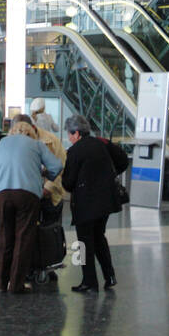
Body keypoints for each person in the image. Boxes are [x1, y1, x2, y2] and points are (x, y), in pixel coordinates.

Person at [0, 117, 63, 293]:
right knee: (23, 239)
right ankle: (16, 285)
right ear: (31, 132)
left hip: (2, 195)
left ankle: (0, 284)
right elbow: (57, 166)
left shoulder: (0, 143)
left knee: (5, 238)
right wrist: (44, 174)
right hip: (27, 195)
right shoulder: (37, 145)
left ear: (12, 131)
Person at [61, 115, 128, 292]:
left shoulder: (75, 151)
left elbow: (68, 182)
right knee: (99, 237)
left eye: (69, 134)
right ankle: (110, 276)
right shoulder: (102, 143)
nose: (69, 137)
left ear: (76, 133)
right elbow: (123, 160)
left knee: (84, 242)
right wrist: (108, 174)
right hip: (106, 200)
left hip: (85, 203)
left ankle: (89, 281)